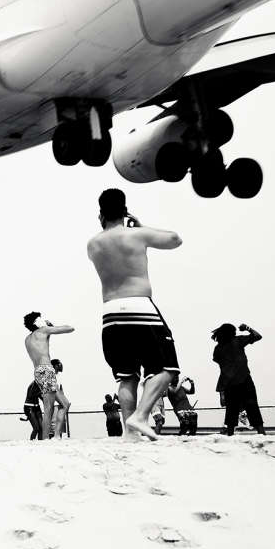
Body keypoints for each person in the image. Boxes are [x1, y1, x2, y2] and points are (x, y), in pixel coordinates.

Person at [87, 188, 183, 442]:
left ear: (100, 215)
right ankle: (140, 416)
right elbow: (175, 239)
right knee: (166, 369)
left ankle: (130, 434)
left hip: (110, 315)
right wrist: (141, 226)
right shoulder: (136, 235)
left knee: (127, 376)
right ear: (125, 211)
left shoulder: (93, 244)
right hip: (139, 308)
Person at [23, 312, 74, 440]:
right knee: (49, 408)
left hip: (38, 371)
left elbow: (42, 346)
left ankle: (56, 435)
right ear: (37, 322)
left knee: (64, 404)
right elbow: (69, 328)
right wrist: (51, 327)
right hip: (46, 369)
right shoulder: (43, 330)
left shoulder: (28, 339)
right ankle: (46, 439)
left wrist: (49, 331)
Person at [211, 323, 265, 435]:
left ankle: (230, 434)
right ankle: (261, 432)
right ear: (231, 333)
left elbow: (217, 360)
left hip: (229, 383)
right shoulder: (238, 340)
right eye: (234, 331)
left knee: (231, 410)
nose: (236, 333)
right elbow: (258, 336)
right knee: (252, 406)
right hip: (244, 378)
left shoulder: (218, 349)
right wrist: (247, 328)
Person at [50, 358, 71, 437]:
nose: (61, 365)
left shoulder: (59, 376)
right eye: (59, 364)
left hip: (60, 402)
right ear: (55, 366)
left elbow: (61, 390)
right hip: (54, 403)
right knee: (53, 422)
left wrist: (64, 400)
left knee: (61, 422)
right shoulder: (50, 376)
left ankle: (59, 437)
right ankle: (53, 437)